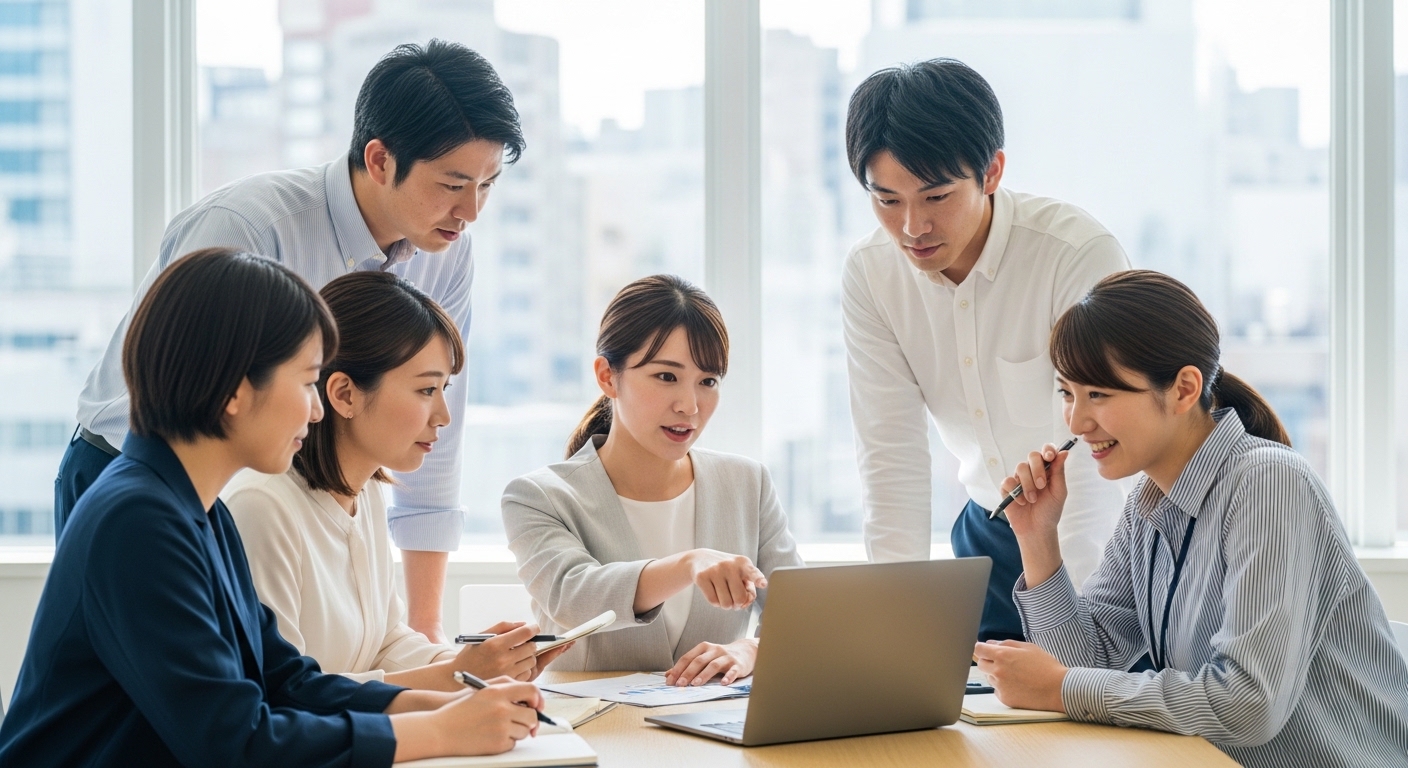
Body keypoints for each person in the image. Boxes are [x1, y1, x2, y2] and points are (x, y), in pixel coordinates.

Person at [0, 249, 545, 767]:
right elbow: (234, 742)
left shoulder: (195, 508)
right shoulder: (137, 520)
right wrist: (441, 730)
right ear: (236, 390)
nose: (315, 411)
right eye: (308, 382)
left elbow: (288, 681)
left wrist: (451, 706)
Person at [57, 40, 520, 641]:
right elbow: (187, 403)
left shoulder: (446, 255)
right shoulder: (248, 227)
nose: (471, 211)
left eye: (488, 184)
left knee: (260, 683)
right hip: (134, 468)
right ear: (379, 159)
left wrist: (427, 637)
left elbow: (433, 430)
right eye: (453, 184)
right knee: (152, 709)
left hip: (284, 492)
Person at [972, 270, 1408, 767]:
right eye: (1067, 393)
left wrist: (1063, 689)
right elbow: (1087, 659)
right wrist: (1036, 537)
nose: (1075, 422)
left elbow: (1248, 704)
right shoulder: (1147, 503)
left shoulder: (1267, 484)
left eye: (1099, 395)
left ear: (1183, 389)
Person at [842, 58, 1129, 641]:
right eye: (887, 201)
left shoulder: (1073, 255)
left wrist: (1081, 630)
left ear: (992, 171)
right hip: (989, 528)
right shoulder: (872, 275)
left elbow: (1093, 448)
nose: (912, 227)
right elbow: (889, 453)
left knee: (1088, 704)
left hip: (1100, 527)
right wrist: (889, 628)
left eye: (936, 196)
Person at [225, 271, 572, 690]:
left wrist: (476, 666)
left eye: (445, 389)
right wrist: (456, 676)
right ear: (344, 394)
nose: (444, 415)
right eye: (427, 390)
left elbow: (385, 642)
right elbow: (284, 695)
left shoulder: (366, 491)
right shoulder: (262, 508)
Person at [502, 275, 804, 686]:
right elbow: (573, 598)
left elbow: (798, 616)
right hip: (598, 732)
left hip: (713, 736)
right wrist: (688, 564)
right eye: (666, 377)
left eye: (708, 382)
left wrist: (749, 648)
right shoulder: (539, 496)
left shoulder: (747, 483)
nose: (690, 405)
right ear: (608, 376)